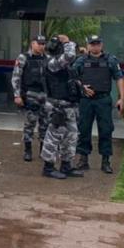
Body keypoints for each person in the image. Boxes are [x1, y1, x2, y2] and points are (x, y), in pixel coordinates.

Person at [71, 35, 124, 174]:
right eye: (92, 44)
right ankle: (83, 159)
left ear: (102, 45)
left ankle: (106, 161)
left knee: (106, 130)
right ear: (88, 45)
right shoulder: (81, 60)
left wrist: (121, 98)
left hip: (103, 99)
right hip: (86, 100)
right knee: (83, 129)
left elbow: (119, 78)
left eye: (97, 44)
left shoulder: (110, 60)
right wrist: (82, 87)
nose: (95, 46)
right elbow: (73, 77)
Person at [40, 34, 81, 180]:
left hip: (68, 106)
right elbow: (69, 56)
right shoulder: (52, 62)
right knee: (53, 136)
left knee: (71, 136)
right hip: (57, 106)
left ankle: (66, 165)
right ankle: (48, 167)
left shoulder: (62, 64)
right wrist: (68, 42)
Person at [11, 35, 48, 162]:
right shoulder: (24, 58)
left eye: (43, 44)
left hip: (45, 95)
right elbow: (16, 77)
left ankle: (43, 150)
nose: (42, 46)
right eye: (39, 43)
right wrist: (17, 95)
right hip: (31, 94)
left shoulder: (47, 58)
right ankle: (28, 150)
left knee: (45, 124)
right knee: (30, 124)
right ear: (32, 44)